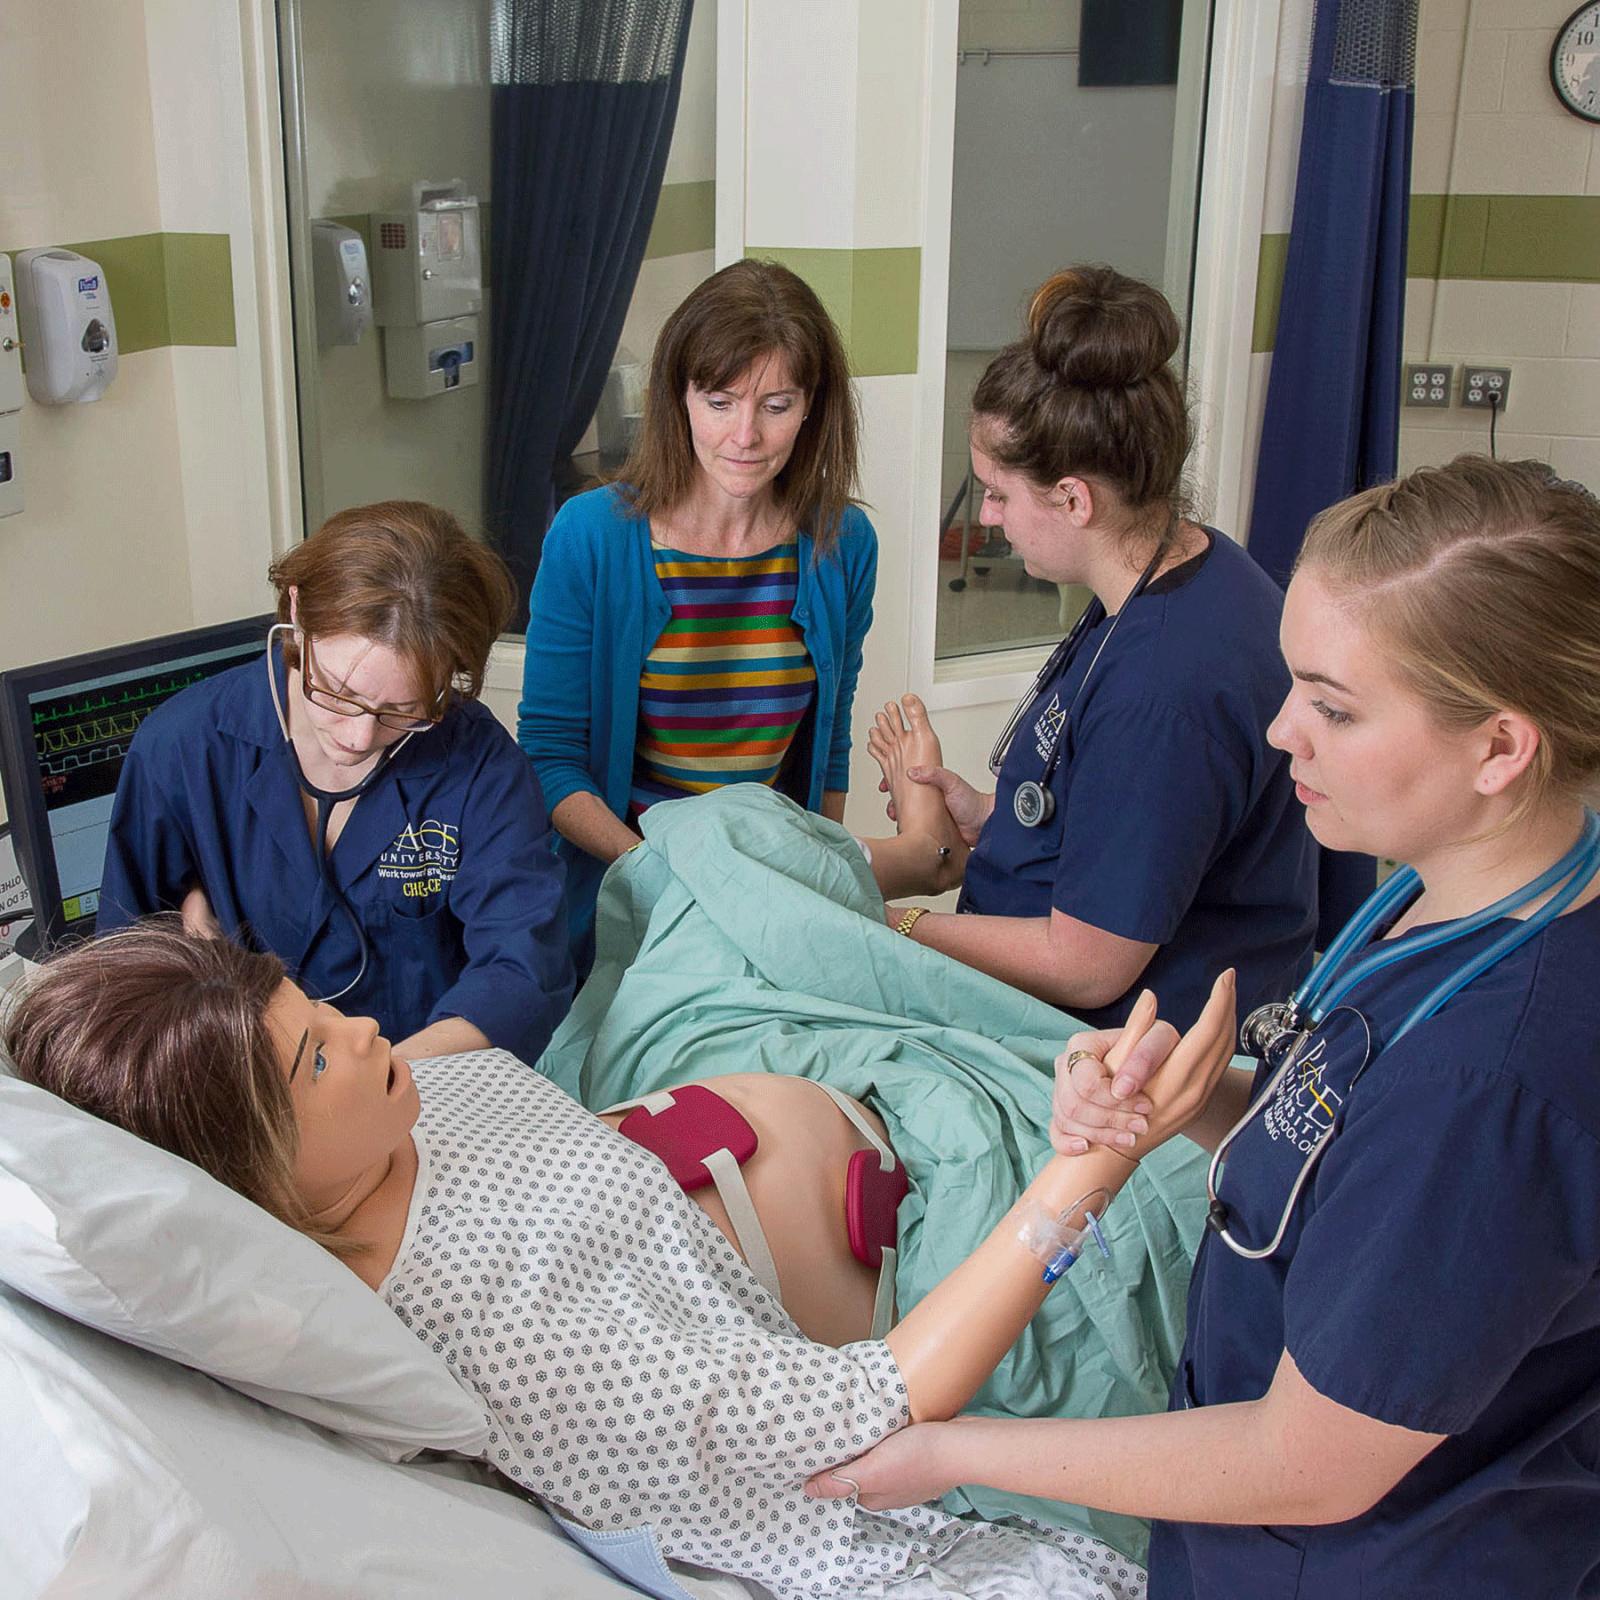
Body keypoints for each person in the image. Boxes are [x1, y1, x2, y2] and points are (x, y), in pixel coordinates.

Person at [807, 457, 1600, 1600]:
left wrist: (946, 1448)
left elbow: (1306, 1459)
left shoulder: (1491, 1086)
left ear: (1499, 747)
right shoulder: (1446, 899)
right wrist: (1201, 1094)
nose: (1281, 732)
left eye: (1332, 705)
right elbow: (1352, 1135)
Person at [6, 916, 1236, 1600]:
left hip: (856, 1127)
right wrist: (1086, 1173)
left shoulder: (410, 1106)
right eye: (311, 1059)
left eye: (313, 1008)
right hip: (914, 1330)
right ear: (254, 1179)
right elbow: (887, 1403)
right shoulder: (520, 1342)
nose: (361, 1024)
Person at [864, 265, 1317, 1033]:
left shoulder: (1167, 689)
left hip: (1113, 1055)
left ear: (1074, 498)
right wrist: (1000, 817)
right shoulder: (1190, 568)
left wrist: (893, 928)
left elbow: (1086, 965)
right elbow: (1125, 811)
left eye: (998, 495)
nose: (993, 521)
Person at [97, 502, 572, 1064]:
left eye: (403, 709)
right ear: (297, 609)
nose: (359, 736)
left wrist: (376, 1082)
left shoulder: (479, 767)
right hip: (240, 1086)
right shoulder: (184, 747)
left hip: (426, 1084)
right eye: (339, 692)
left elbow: (521, 971)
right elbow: (118, 974)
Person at [519, 259, 879, 970]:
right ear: (678, 398)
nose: (745, 435)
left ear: (812, 407)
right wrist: (663, 874)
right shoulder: (591, 536)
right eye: (720, 401)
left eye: (776, 405)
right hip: (628, 892)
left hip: (773, 896)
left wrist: (806, 885)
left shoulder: (844, 545)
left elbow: (827, 748)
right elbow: (551, 759)